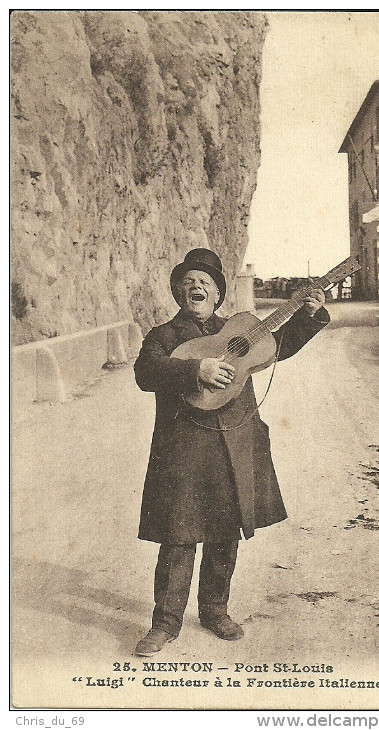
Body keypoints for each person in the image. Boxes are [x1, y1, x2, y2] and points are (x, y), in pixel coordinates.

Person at [133, 248, 329, 656]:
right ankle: (165, 622)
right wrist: (195, 369)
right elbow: (145, 373)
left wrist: (310, 315)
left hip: (234, 441)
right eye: (188, 283)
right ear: (178, 293)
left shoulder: (241, 330)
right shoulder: (164, 336)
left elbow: (280, 345)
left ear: (218, 293)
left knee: (224, 530)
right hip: (184, 446)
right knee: (178, 534)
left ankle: (215, 611)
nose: (196, 288)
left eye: (205, 283)